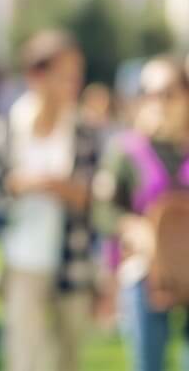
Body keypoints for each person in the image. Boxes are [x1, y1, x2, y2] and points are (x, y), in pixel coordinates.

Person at [0, 29, 99, 371]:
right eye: (66, 76)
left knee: (67, 361)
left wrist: (56, 186)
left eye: (77, 76)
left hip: (71, 262)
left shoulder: (85, 131)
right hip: (22, 260)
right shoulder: (7, 129)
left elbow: (97, 198)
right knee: (24, 359)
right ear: (37, 76)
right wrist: (16, 188)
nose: (74, 84)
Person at [92, 55, 189, 371]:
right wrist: (132, 226)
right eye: (147, 92)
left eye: (167, 93)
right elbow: (102, 209)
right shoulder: (126, 150)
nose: (157, 102)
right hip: (145, 273)